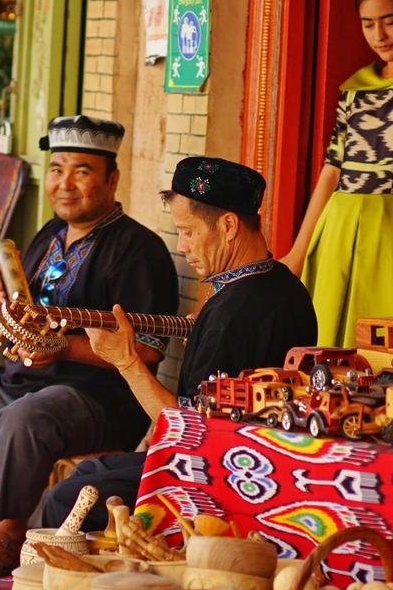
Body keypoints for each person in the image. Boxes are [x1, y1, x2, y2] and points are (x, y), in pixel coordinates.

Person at [0, 116, 178, 579]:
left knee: (23, 419)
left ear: (112, 179)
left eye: (82, 171)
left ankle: (8, 530)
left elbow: (148, 350)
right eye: (56, 169)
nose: (64, 184)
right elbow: (11, 315)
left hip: (95, 396)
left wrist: (62, 349)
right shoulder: (48, 235)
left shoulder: (138, 249)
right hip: (21, 378)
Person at [42, 157, 318, 527]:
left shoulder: (234, 312)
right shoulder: (280, 283)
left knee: (67, 497)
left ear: (229, 225)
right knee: (90, 471)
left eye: (188, 232)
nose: (184, 248)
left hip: (223, 476)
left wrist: (127, 361)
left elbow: (186, 432)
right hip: (246, 460)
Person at [281, 0, 393, 348]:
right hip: (339, 225)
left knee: (383, 339)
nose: (379, 34)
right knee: (327, 337)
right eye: (368, 23)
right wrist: (299, 249)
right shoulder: (356, 88)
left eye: (390, 20)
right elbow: (332, 169)